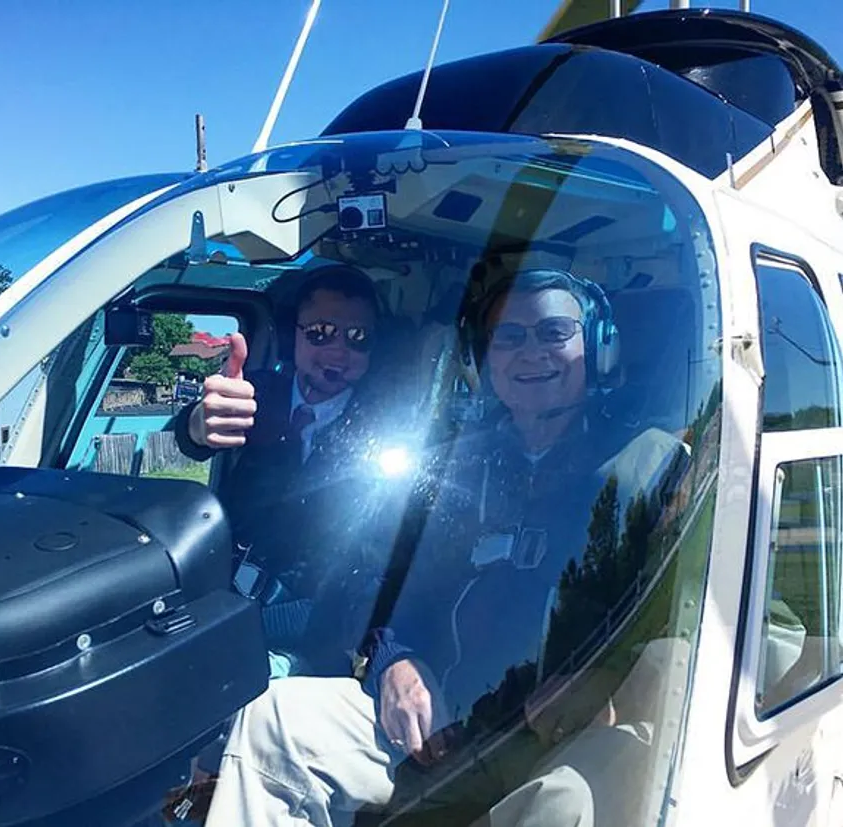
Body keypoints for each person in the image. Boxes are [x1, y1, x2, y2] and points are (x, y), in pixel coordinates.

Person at [197, 262, 690, 827]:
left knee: (569, 801)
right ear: (485, 362)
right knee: (275, 717)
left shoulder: (651, 466)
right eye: (508, 336)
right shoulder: (462, 462)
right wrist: (394, 662)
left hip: (563, 736)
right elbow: (380, 585)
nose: (531, 352)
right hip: (441, 723)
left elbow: (707, 625)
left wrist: (607, 678)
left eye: (554, 333)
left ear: (599, 346)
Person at [174, 264, 391, 674]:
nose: (339, 351)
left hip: (309, 623)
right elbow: (200, 425)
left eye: (358, 337)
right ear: (294, 333)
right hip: (221, 592)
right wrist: (198, 424)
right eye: (321, 332)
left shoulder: (383, 429)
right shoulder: (254, 393)